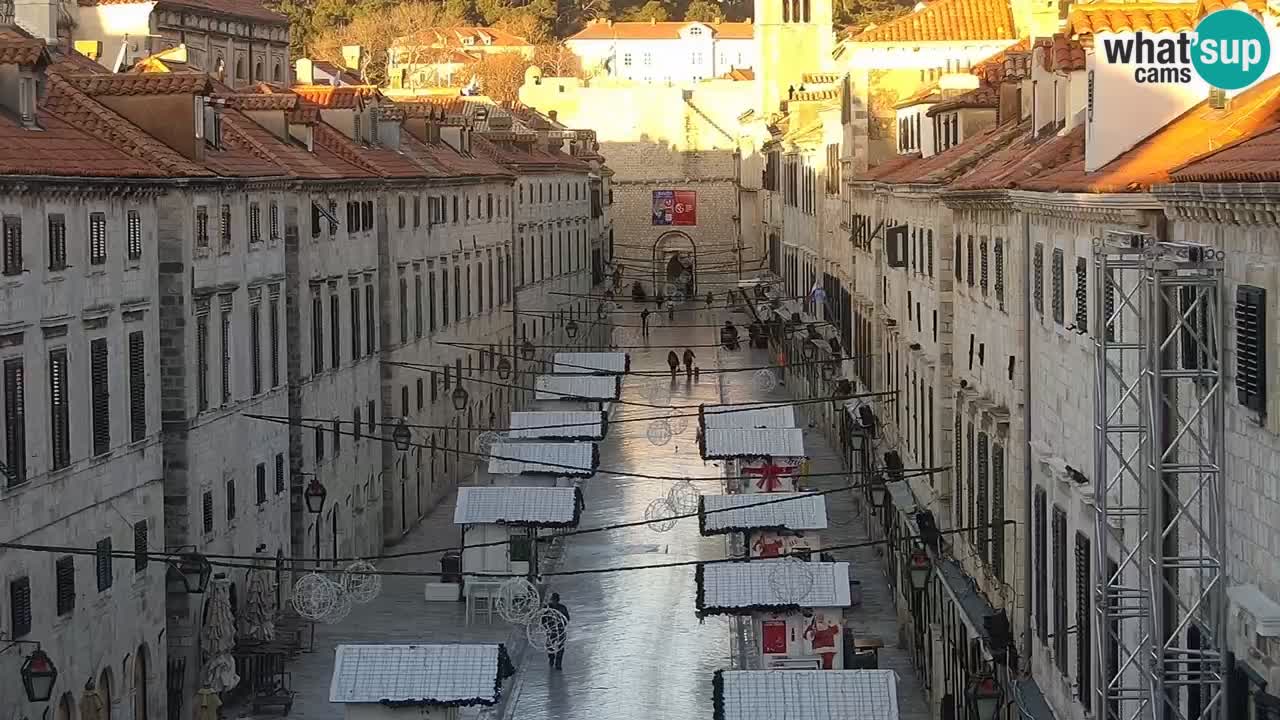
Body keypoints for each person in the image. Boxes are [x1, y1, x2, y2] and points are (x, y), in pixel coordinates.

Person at [544, 593, 571, 669]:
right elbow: (543, 618)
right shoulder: (547, 608)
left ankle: (558, 663)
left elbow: (567, 618)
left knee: (560, 647)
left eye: (554, 600)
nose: (553, 602)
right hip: (551, 630)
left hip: (560, 630)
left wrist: (562, 625)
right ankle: (552, 657)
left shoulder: (562, 608)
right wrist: (547, 627)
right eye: (552, 600)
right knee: (549, 645)